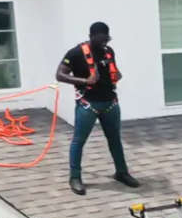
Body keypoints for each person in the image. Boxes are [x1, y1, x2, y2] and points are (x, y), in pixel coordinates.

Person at [56, 21, 140, 195]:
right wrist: (85, 81)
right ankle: (75, 177)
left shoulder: (108, 51)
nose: (104, 43)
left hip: (110, 103)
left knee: (115, 139)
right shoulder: (76, 53)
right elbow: (60, 75)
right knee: (79, 141)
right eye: (101, 39)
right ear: (91, 36)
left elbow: (112, 72)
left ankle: (122, 172)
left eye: (106, 39)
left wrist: (116, 75)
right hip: (88, 104)